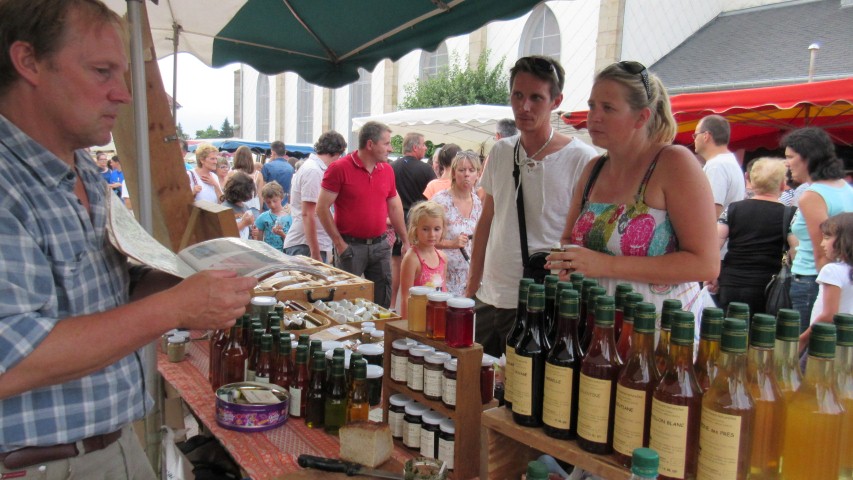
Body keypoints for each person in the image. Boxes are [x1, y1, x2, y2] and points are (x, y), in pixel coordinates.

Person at [0, 1, 257, 478]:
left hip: (109, 446)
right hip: (38, 465)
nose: (122, 95)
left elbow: (100, 296)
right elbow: (11, 361)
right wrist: (176, 306)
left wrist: (177, 277)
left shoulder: (82, 172)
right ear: (28, 61)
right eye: (102, 72)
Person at [549, 60, 719, 319]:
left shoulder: (673, 163)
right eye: (592, 105)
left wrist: (607, 265)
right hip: (595, 324)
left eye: (608, 108)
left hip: (657, 328)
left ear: (642, 117)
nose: (594, 116)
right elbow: (568, 239)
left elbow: (705, 264)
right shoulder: (594, 168)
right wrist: (566, 260)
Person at [465, 55, 598, 357]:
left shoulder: (582, 158)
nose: (524, 107)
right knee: (476, 386)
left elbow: (582, 237)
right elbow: (487, 219)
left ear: (556, 101)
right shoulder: (500, 151)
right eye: (518, 96)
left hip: (538, 301)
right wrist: (473, 285)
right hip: (489, 296)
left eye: (536, 97)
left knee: (523, 395)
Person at [317, 121, 408, 308]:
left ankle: (378, 335)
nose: (391, 149)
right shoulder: (339, 168)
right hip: (350, 246)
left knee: (381, 300)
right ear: (370, 144)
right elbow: (321, 208)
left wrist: (405, 240)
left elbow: (395, 207)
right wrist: (339, 244)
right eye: (387, 143)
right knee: (345, 302)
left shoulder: (387, 170)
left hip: (380, 245)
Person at [783, 127, 853, 330]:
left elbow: (822, 252)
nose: (787, 163)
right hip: (842, 278)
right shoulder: (845, 188)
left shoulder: (813, 195)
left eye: (790, 156)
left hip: (812, 280)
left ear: (808, 158)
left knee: (807, 352)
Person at [714, 158, 791, 315]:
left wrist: (711, 273)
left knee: (731, 332)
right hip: (768, 287)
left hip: (731, 283)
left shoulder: (733, 208)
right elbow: (796, 252)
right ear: (783, 185)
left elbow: (714, 244)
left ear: (749, 180)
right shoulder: (789, 215)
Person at [283, 131, 347, 263]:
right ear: (337, 152)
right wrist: (315, 253)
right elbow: (307, 214)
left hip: (307, 244)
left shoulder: (314, 168)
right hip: (305, 245)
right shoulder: (314, 170)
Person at [391, 133, 436, 308]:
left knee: (396, 263)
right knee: (419, 261)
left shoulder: (392, 167)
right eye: (424, 145)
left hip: (396, 221)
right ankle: (414, 304)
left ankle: (394, 303)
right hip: (419, 224)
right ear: (415, 147)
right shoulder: (426, 170)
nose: (426, 148)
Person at [800, 212, 853, 352]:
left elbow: (829, 314)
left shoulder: (832, 270)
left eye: (827, 238)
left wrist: (803, 339)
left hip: (825, 342)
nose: (822, 243)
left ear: (844, 240)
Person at [432, 150, 483, 296]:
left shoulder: (478, 202)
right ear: (454, 173)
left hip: (470, 278)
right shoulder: (440, 201)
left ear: (478, 174)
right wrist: (451, 243)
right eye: (462, 170)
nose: (467, 174)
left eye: (471, 170)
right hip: (444, 277)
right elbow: (421, 238)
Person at [400, 201, 448, 318]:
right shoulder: (412, 258)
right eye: (425, 229)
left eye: (437, 229)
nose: (432, 234)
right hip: (418, 319)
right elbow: (406, 298)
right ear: (415, 229)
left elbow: (443, 290)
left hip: (437, 318)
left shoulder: (442, 257)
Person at [694, 115, 746, 218]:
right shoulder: (729, 161)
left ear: (706, 136)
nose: (694, 140)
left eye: (695, 135)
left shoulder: (716, 166)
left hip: (716, 232)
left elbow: (712, 211)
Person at [219, 171, 257, 239]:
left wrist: (253, 232)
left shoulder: (246, 208)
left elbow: (249, 230)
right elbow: (225, 232)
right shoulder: (224, 208)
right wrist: (243, 223)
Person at [255, 181, 290, 251]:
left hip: (285, 253)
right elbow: (259, 241)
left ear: (281, 198)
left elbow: (292, 241)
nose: (272, 205)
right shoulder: (262, 217)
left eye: (275, 201)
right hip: (269, 253)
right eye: (268, 202)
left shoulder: (290, 217)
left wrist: (282, 234)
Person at [262, 140, 295, 206]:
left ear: (273, 152)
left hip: (269, 204)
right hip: (284, 204)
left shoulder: (267, 166)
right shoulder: (291, 168)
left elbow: (262, 187)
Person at [231, 145, 264, 211]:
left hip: (237, 207)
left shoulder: (232, 174)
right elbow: (260, 195)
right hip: (254, 207)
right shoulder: (258, 175)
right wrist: (260, 209)